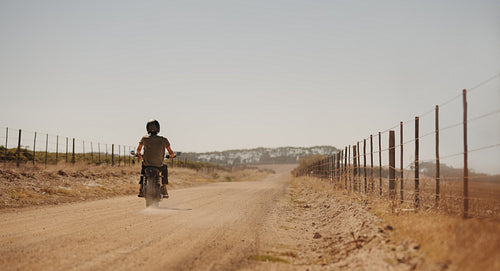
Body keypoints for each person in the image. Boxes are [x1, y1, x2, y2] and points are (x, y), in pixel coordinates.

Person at [136, 119, 175, 198]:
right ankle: (164, 187)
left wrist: (139, 155)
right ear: (158, 128)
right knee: (165, 168)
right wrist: (171, 156)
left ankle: (140, 188)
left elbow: (138, 150)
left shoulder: (144, 138)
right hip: (159, 165)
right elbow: (171, 152)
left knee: (143, 171)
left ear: (147, 128)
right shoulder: (164, 139)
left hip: (147, 164)